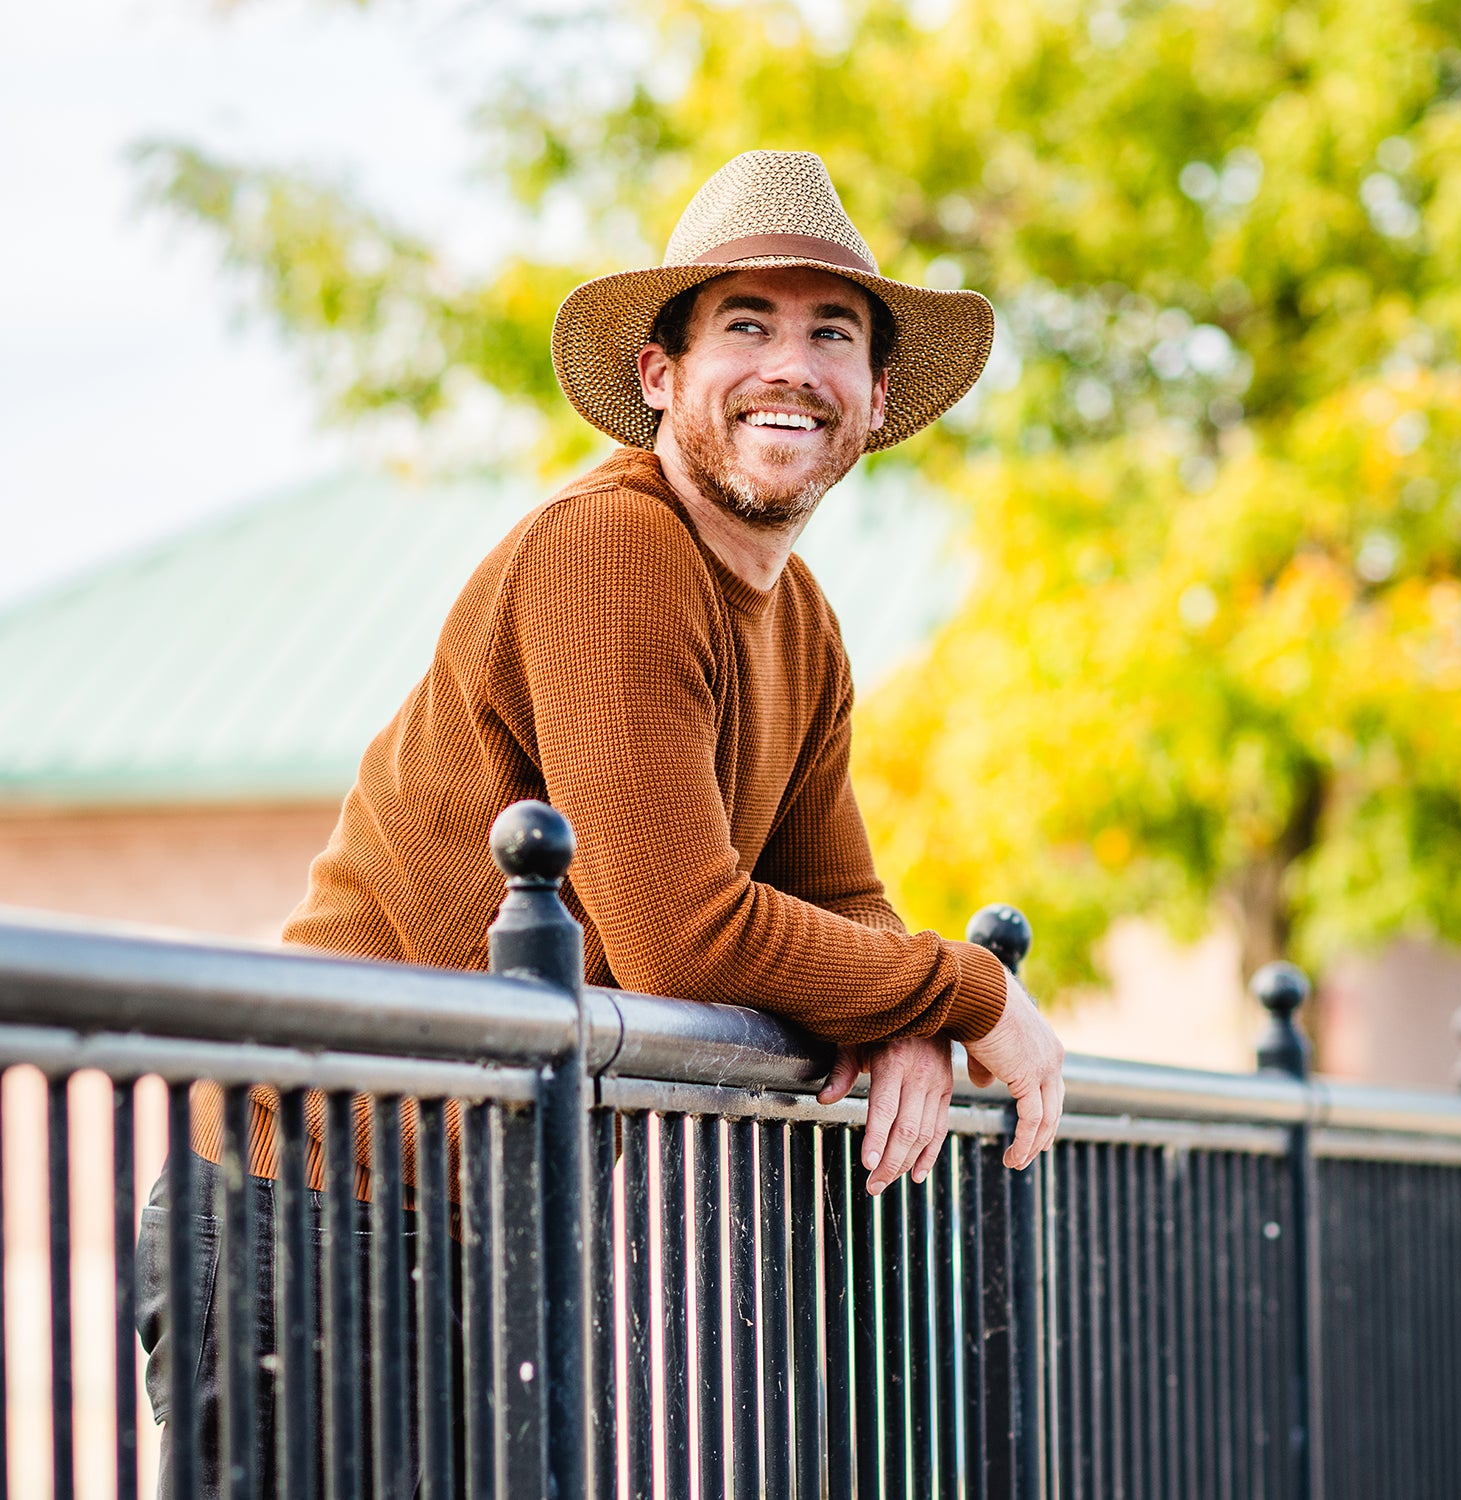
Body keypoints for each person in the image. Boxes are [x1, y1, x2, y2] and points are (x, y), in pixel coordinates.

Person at [139, 148, 1065, 1494]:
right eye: (744, 324)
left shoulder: (799, 625)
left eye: (832, 334)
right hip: (311, 1221)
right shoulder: (611, 548)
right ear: (658, 376)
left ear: (871, 398)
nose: (789, 366)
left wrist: (912, 1015)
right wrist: (969, 987)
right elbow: (684, 932)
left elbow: (842, 897)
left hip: (477, 1231)